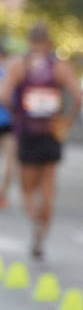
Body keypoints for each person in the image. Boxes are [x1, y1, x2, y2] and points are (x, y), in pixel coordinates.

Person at [0, 22, 83, 258]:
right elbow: (77, 96)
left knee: (27, 188)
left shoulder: (19, 65)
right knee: (48, 185)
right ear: (48, 41)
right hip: (51, 131)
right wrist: (66, 120)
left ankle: (35, 217)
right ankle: (42, 233)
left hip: (27, 132)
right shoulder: (60, 66)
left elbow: (4, 95)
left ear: (29, 40)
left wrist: (18, 114)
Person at [0, 40, 16, 210]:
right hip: (9, 123)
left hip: (7, 123)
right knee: (9, 163)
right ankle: (2, 194)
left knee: (9, 163)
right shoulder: (12, 73)